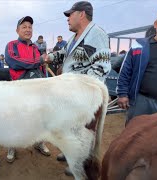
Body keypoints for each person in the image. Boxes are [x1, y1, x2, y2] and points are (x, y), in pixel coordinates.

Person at [44, 1, 111, 176]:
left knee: (84, 132)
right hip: (70, 93)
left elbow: (101, 66)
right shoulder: (74, 38)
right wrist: (50, 57)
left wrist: (82, 90)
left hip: (84, 96)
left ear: (81, 14)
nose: (67, 19)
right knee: (72, 128)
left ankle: (80, 164)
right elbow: (63, 54)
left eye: (70, 15)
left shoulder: (97, 34)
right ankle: (70, 153)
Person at [4, 16, 51, 163]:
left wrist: (45, 78)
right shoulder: (12, 45)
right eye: (24, 26)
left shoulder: (36, 48)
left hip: (37, 88)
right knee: (15, 117)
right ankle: (12, 145)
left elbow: (42, 68)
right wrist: (38, 61)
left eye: (30, 27)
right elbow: (14, 62)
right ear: (17, 30)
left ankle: (39, 142)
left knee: (39, 117)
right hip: (19, 87)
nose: (27, 29)